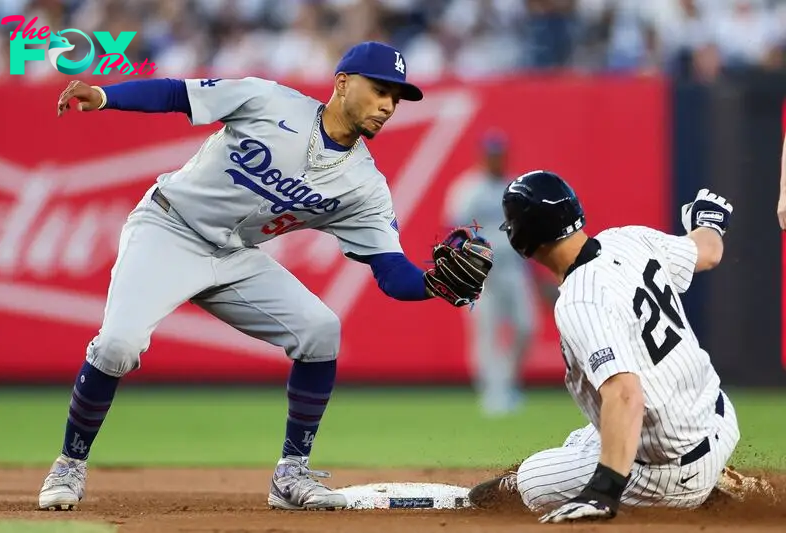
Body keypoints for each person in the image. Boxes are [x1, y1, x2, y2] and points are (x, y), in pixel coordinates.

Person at [39, 41, 492, 512]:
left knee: (320, 330)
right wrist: (105, 95)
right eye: (380, 90)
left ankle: (291, 474)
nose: (387, 106)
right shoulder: (269, 101)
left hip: (235, 255)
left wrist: (431, 284)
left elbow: (390, 271)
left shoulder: (364, 185)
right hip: (168, 228)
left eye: (396, 99)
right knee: (118, 344)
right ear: (342, 83)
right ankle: (69, 463)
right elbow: (178, 94)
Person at [467, 170, 772, 522]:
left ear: (522, 240)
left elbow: (625, 394)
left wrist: (604, 491)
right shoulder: (629, 239)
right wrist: (709, 222)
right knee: (582, 439)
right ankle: (717, 478)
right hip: (718, 420)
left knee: (532, 479)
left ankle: (698, 491)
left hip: (669, 473)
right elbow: (708, 253)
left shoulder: (579, 301)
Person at [444, 132, 540, 416]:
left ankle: (508, 384)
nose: (495, 159)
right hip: (479, 270)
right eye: (491, 153)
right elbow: (455, 230)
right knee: (486, 332)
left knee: (527, 326)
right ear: (483, 156)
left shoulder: (516, 187)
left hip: (513, 267)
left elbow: (528, 230)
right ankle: (492, 392)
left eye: (499, 153)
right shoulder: (468, 188)